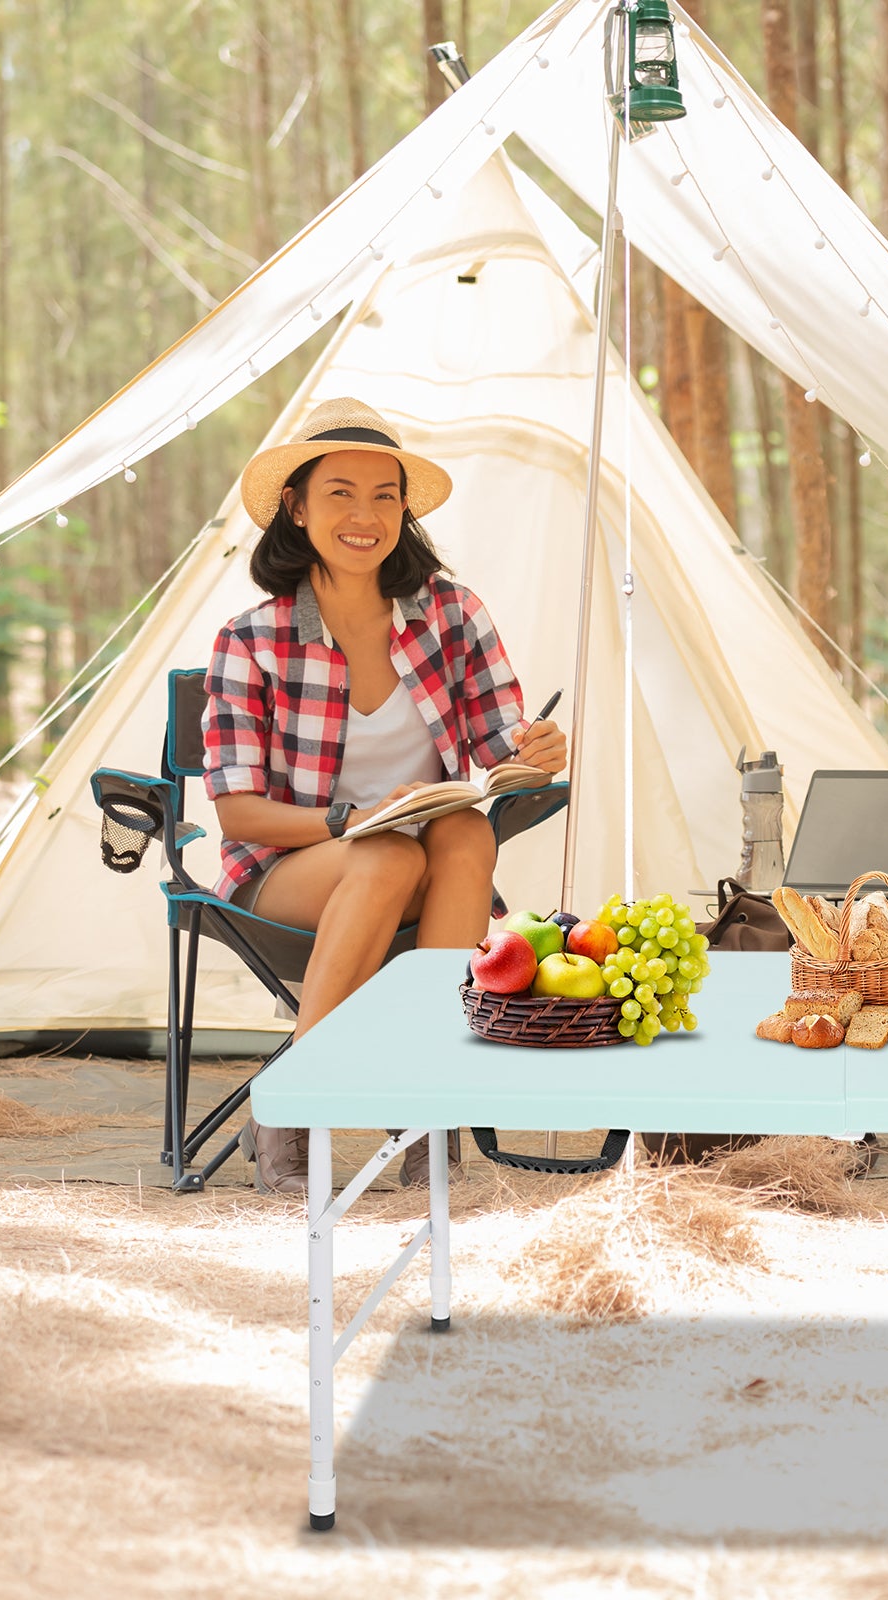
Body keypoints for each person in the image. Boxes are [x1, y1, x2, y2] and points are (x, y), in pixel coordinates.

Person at [201, 398, 566, 1194]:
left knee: (467, 832)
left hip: (426, 858)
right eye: (340, 492)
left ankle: (425, 1100)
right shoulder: (250, 639)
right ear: (296, 508)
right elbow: (237, 813)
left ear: (404, 510)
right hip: (287, 863)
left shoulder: (453, 614)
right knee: (384, 854)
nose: (364, 515)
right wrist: (350, 821)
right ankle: (292, 1104)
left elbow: (503, 747)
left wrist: (536, 754)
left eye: (384, 495)